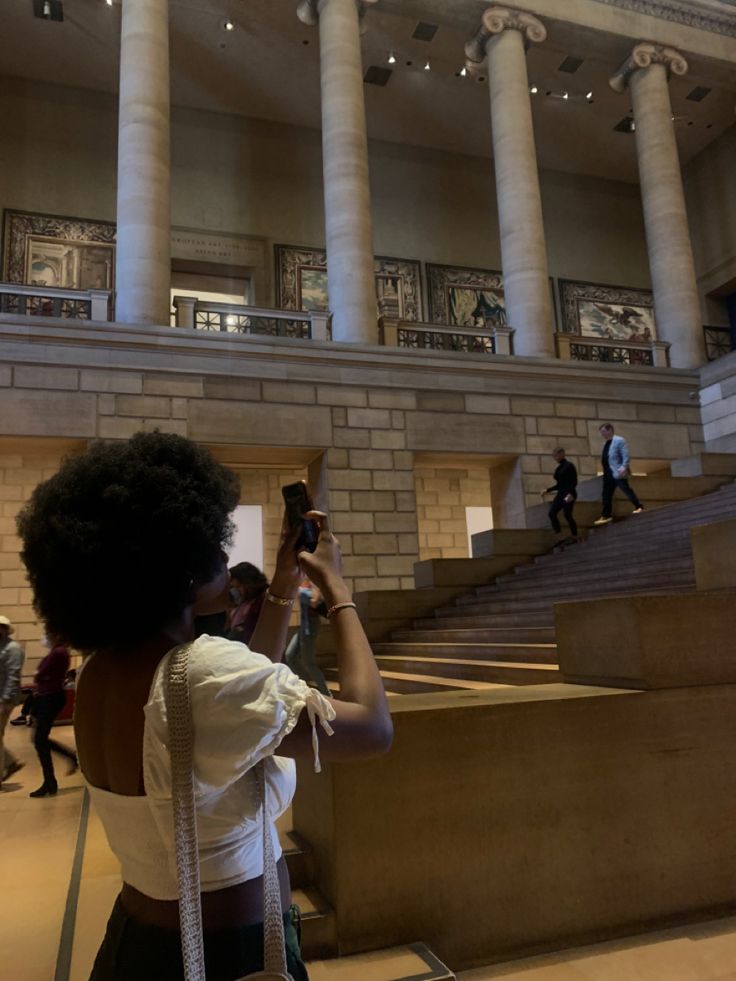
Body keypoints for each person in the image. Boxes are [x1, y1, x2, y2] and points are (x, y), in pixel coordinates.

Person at [16, 431, 392, 980]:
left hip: (135, 944)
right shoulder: (202, 674)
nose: (222, 554)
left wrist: (286, 579)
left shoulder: (103, 671)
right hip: (226, 954)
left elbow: (242, 705)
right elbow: (373, 728)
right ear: (175, 567)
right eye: (211, 544)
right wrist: (337, 588)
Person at [28, 635, 78, 798]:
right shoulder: (57, 651)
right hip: (46, 696)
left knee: (39, 740)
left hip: (50, 697)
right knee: (39, 740)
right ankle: (50, 780)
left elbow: (41, 673)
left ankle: (50, 781)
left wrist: (40, 675)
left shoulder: (59, 652)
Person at [285, 581, 331, 697]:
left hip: (310, 627)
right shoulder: (302, 583)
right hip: (303, 626)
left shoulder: (312, 585)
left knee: (309, 662)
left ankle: (326, 692)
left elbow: (315, 603)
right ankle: (305, 684)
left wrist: (314, 591)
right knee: (290, 655)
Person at [594, 423, 644, 525]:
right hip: (608, 473)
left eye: (603, 431)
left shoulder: (619, 440)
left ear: (610, 430)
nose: (602, 434)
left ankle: (639, 506)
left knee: (626, 489)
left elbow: (625, 455)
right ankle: (606, 515)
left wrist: (623, 467)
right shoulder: (606, 444)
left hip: (617, 471)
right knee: (606, 494)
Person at [0, 614, 25, 789]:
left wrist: (5, 701)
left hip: (5, 699)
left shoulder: (13, 648)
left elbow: (13, 675)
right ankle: (10, 762)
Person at [225, 561, 269, 644]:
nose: (237, 591)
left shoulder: (262, 601)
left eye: (239, 586)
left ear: (250, 583)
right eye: (233, 587)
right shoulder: (242, 602)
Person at [540, 447, 578, 542]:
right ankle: (559, 534)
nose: (555, 458)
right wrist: (548, 490)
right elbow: (559, 485)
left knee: (567, 514)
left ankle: (574, 535)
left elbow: (574, 481)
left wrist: (570, 494)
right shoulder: (558, 468)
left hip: (568, 494)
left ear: (562, 454)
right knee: (552, 513)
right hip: (561, 494)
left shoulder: (569, 466)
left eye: (556, 455)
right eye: (554, 456)